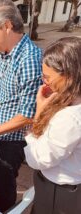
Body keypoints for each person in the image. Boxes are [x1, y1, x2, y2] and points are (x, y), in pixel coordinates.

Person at [0, 0, 42, 212]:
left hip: (11, 143)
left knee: (4, 191)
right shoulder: (6, 53)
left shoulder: (29, 58)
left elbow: (28, 114)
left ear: (6, 26)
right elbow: (2, 94)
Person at [24, 37, 81, 214]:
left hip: (60, 192)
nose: (44, 81)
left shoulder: (70, 118)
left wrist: (38, 116)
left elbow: (39, 158)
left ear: (69, 76)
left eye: (48, 76)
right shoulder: (70, 103)